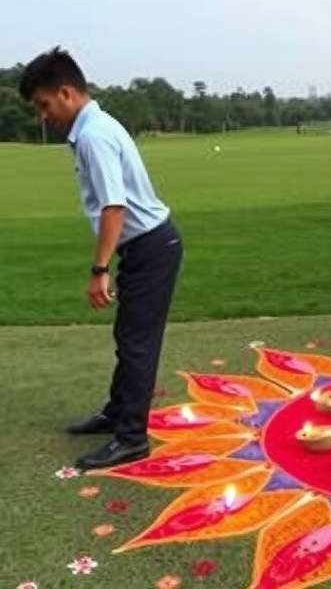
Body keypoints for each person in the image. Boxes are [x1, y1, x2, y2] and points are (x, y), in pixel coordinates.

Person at [19, 47, 183, 470]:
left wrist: (99, 270)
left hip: (150, 246)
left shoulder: (93, 135)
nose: (44, 115)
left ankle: (131, 438)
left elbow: (114, 207)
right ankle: (117, 413)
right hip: (146, 246)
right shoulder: (95, 126)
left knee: (137, 342)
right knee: (129, 337)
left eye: (44, 104)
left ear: (67, 93)